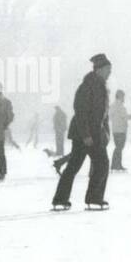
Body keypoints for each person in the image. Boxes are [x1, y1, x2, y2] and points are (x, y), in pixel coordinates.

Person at [52, 53, 111, 210]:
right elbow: (80, 111)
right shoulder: (88, 86)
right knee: (101, 164)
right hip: (86, 133)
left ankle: (61, 199)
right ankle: (93, 198)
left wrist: (105, 132)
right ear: (99, 70)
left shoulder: (101, 86)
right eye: (107, 70)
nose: (109, 73)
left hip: (94, 133)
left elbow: (104, 114)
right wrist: (86, 135)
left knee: (74, 166)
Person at [108, 90, 130, 171]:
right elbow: (125, 117)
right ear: (120, 96)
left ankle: (117, 164)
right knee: (119, 147)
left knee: (118, 147)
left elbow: (110, 116)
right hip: (121, 129)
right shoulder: (120, 106)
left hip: (115, 129)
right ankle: (116, 164)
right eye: (123, 96)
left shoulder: (113, 105)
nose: (124, 98)